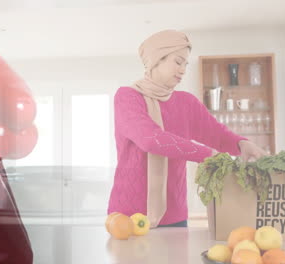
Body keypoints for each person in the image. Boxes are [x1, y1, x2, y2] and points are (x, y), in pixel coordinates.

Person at [107, 30, 267, 228]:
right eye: (178, 61)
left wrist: (242, 143)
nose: (183, 70)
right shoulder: (127, 97)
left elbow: (217, 134)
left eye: (185, 64)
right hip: (126, 215)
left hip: (174, 215)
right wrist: (209, 154)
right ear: (157, 59)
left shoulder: (186, 103)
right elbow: (150, 138)